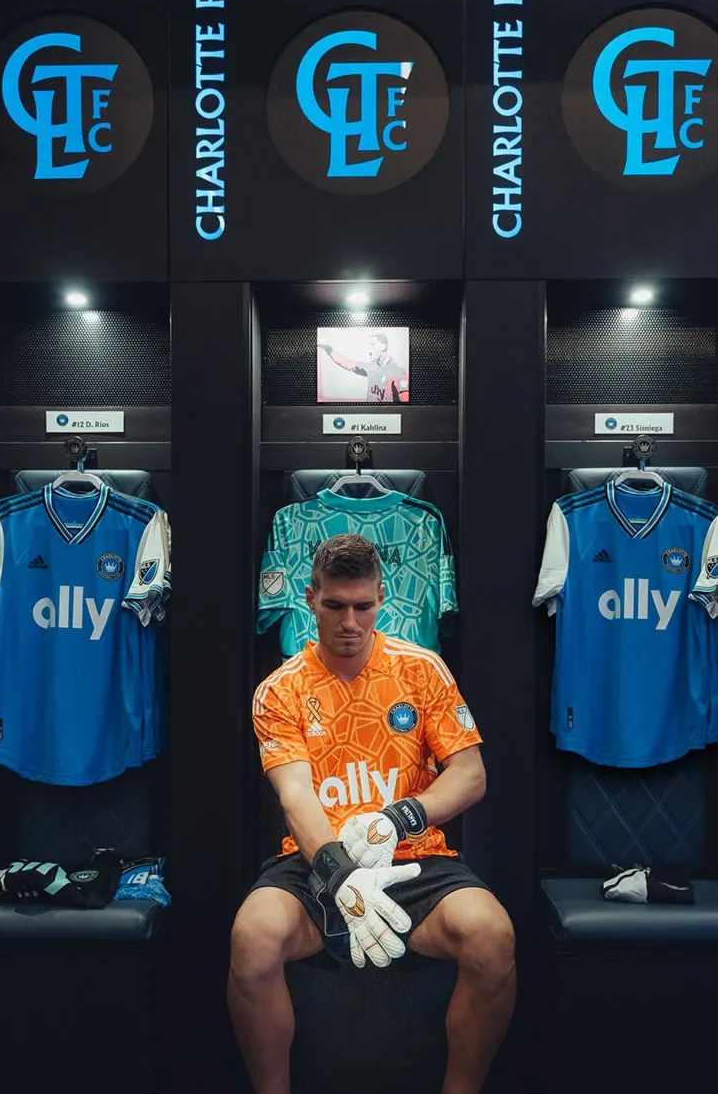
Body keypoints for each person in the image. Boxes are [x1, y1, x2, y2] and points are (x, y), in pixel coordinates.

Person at [228, 533, 516, 1094]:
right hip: (316, 863)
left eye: (364, 605)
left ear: (383, 598)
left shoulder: (422, 669)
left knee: (493, 934)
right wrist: (342, 876)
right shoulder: (279, 691)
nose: (350, 622)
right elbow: (296, 797)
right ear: (310, 598)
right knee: (252, 937)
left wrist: (402, 816)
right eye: (335, 605)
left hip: (415, 860)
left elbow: (470, 773)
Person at [318, 331, 409, 402]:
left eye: (372, 344)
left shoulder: (398, 372)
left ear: (383, 347)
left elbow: (406, 404)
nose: (369, 348)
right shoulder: (370, 366)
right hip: (369, 417)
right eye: (368, 345)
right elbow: (347, 363)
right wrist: (328, 348)